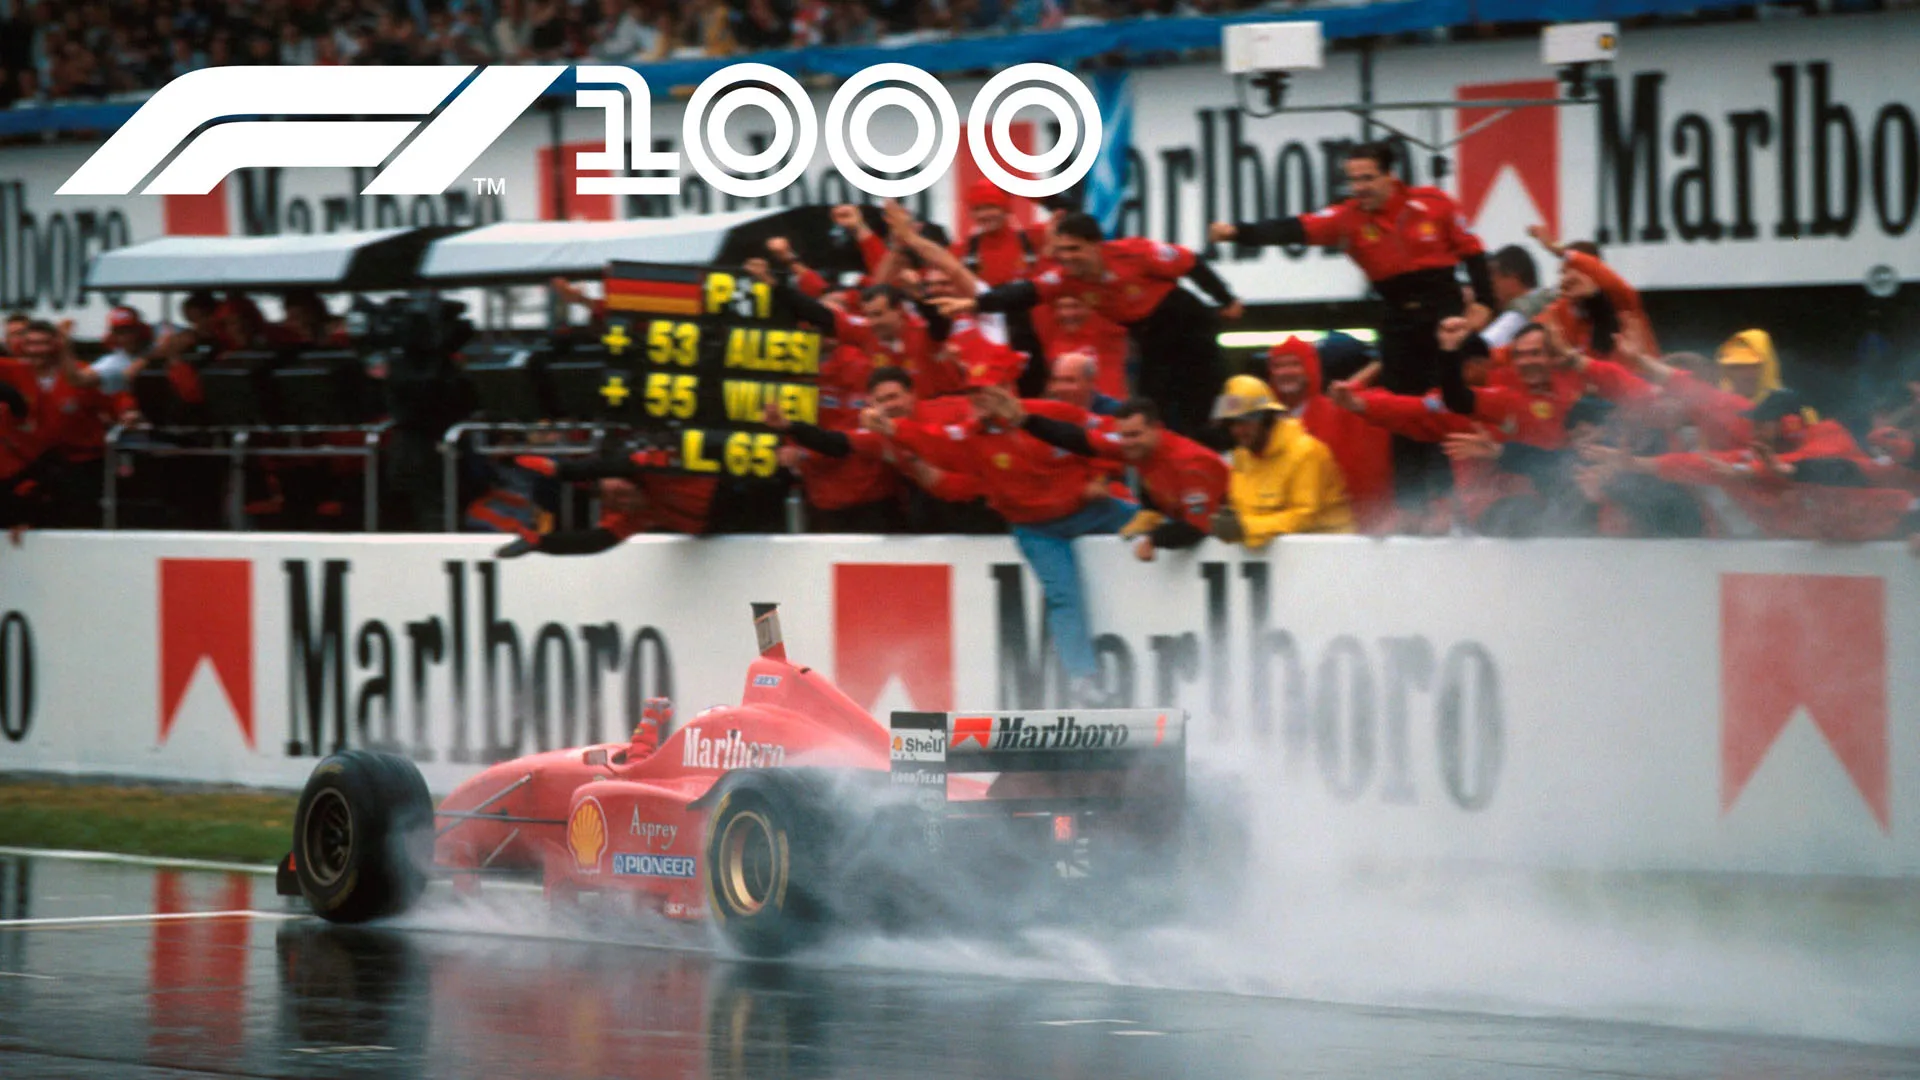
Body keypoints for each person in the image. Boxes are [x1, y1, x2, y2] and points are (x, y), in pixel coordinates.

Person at [1210, 141, 1495, 517]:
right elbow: (1296, 228)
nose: (1360, 187)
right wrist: (1238, 233)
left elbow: (1473, 252)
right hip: (1397, 322)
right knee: (1399, 415)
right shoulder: (1348, 218)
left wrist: (1486, 305)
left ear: (1390, 176)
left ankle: (1451, 503)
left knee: (1441, 406)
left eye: (1368, 178)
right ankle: (1412, 507)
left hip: (1442, 320)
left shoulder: (1434, 204)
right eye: (1353, 179)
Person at [879, 358, 1137, 704]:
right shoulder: (971, 435)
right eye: (973, 394)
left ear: (1007, 392)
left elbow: (1109, 437)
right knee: (1063, 597)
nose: (978, 402)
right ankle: (1083, 679)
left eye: (986, 393)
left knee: (1155, 528)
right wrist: (892, 429)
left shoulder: (1052, 412)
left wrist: (1101, 478)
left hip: (1089, 510)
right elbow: (933, 442)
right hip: (1037, 530)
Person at [931, 213, 1242, 436]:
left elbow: (1191, 263)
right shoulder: (1066, 279)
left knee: (1205, 405)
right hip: (1149, 336)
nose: (1066, 258)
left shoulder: (1133, 253)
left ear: (1096, 246)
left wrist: (1226, 299)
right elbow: (1024, 292)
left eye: (1074, 249)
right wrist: (974, 304)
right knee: (1153, 414)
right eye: (1061, 251)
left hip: (1187, 323)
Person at [1014, 396, 1229, 561]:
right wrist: (1026, 419)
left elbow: (1199, 526)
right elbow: (1079, 440)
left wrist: (1154, 540)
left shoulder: (1189, 463)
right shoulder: (1135, 447)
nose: (1127, 443)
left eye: (1135, 434)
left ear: (1157, 429)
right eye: (1123, 436)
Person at [1266, 335, 1392, 531]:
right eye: (1278, 366)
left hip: (1336, 532)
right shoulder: (1264, 423)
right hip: (1282, 534)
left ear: (1310, 369)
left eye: (1294, 364)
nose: (1285, 372)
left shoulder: (1341, 415)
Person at [1210, 375, 1354, 545]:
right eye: (1232, 423)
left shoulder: (1306, 452)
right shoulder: (1242, 457)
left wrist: (1246, 527)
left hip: (1329, 555)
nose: (1237, 430)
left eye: (1246, 421)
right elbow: (1241, 510)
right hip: (1273, 556)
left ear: (1267, 418)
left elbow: (1304, 516)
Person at [1528, 227, 1656, 360]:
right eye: (1562, 272)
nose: (1564, 279)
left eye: (1572, 271)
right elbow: (1520, 345)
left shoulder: (1623, 303)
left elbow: (1606, 278)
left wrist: (1561, 252)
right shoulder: (1556, 312)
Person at [1481, 244, 1555, 348]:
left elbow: (1481, 347)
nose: (1489, 286)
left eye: (1493, 277)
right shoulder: (1548, 300)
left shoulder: (1519, 312)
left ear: (1513, 276)